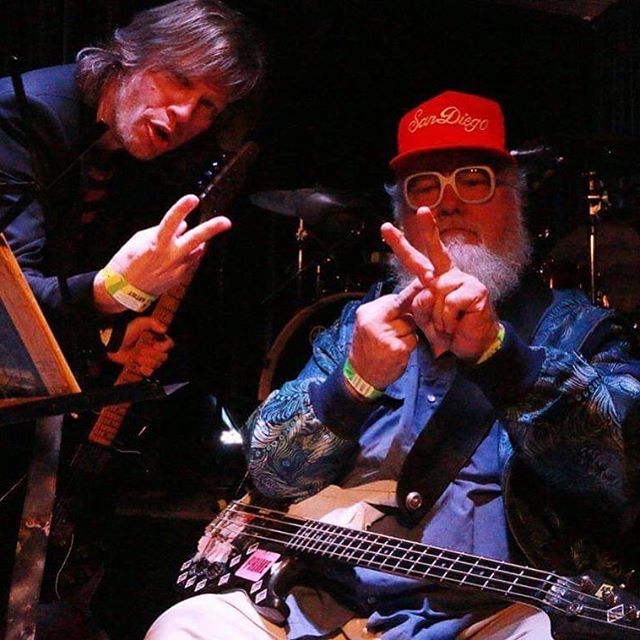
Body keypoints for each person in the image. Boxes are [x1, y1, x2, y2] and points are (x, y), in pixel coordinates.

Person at [146, 90, 640, 639]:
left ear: (514, 202)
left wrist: (501, 355)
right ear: (400, 215)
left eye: (473, 180)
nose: (446, 204)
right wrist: (354, 381)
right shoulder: (357, 324)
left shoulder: (577, 330)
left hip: (494, 618)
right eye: (423, 187)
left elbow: (620, 468)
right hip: (326, 609)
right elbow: (269, 471)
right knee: (187, 626)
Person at [0, 0, 264, 631]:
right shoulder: (24, 116)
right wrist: (112, 294)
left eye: (209, 106)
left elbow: (83, 291)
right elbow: (11, 298)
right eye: (179, 81)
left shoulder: (141, 155)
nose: (185, 116)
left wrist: (118, 334)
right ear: (130, 55)